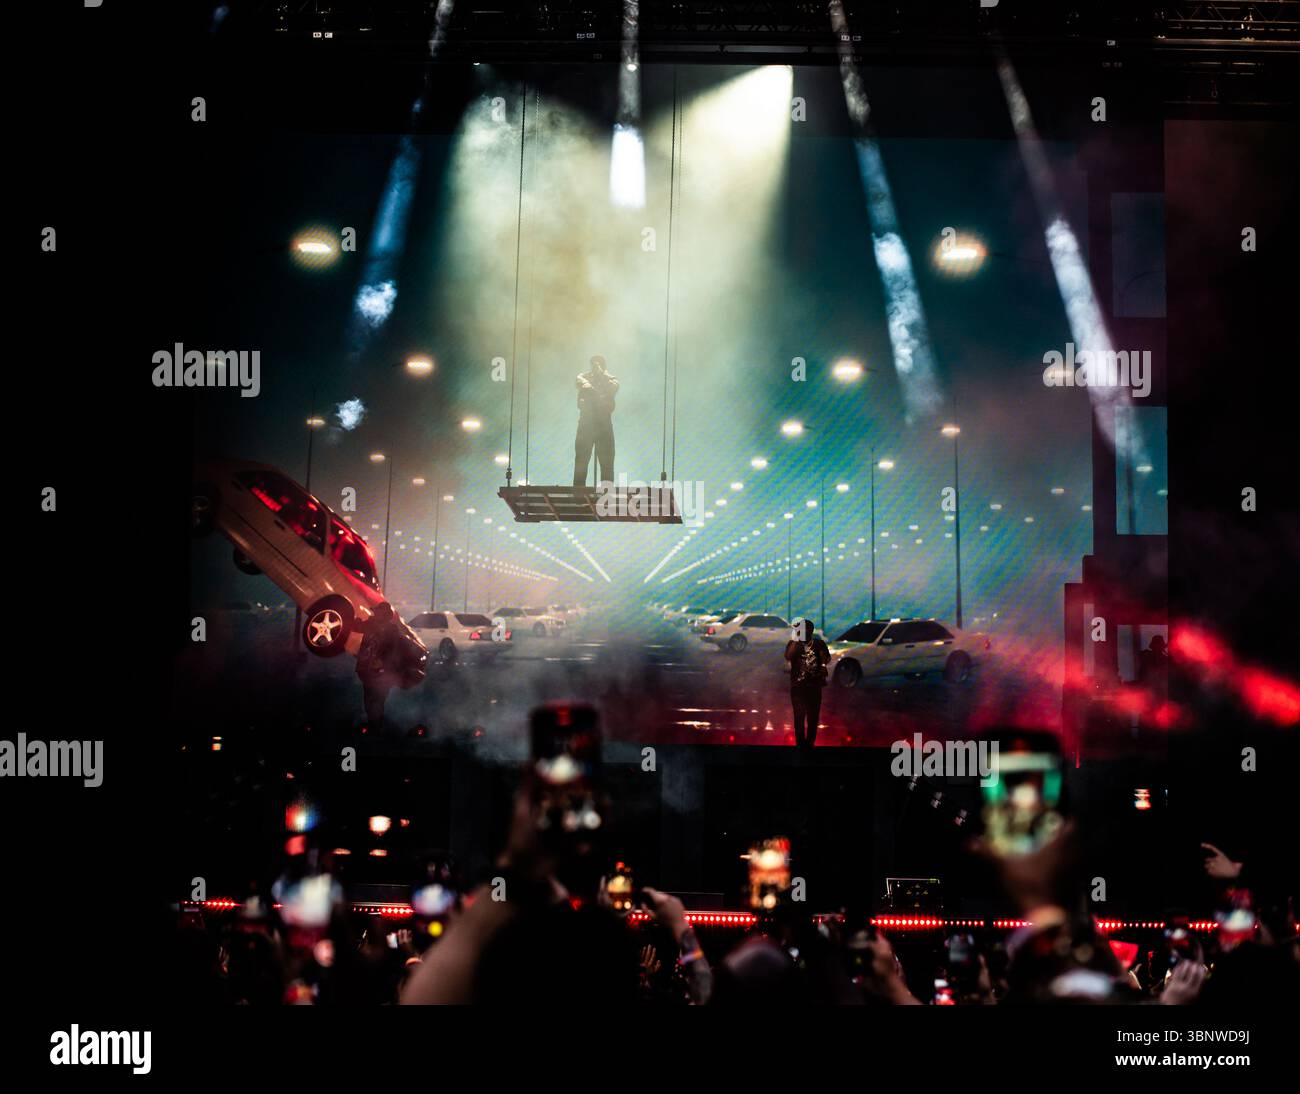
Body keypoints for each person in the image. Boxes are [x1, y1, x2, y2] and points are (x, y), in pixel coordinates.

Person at [572, 354, 619, 487]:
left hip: (603, 423)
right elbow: (579, 381)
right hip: (586, 422)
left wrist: (601, 376)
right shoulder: (584, 377)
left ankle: (606, 491)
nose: (595, 365)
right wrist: (590, 384)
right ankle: (579, 493)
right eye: (593, 363)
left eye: (598, 363)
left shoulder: (611, 379)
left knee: (607, 460)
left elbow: (614, 387)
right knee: (581, 458)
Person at [355, 601, 402, 732]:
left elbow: (393, 648)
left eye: (378, 611)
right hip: (367, 669)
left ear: (385, 614)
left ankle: (375, 726)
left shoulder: (391, 629)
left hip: (382, 671)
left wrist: (382, 661)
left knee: (377, 698)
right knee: (370, 698)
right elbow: (356, 627)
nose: (375, 613)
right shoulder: (371, 624)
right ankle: (374, 725)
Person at [784, 623, 830, 749]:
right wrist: (796, 640)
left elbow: (827, 658)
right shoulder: (793, 644)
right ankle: (800, 746)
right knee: (799, 718)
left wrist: (822, 663)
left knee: (812, 719)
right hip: (798, 688)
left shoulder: (818, 644)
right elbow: (788, 656)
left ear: (810, 630)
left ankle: (809, 745)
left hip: (814, 687)